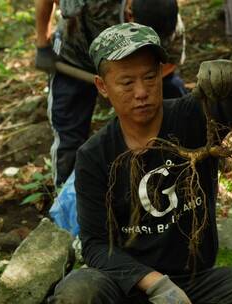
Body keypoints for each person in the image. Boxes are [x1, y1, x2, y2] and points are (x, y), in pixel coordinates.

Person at [48, 22, 232, 304]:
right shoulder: (95, 155)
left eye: (150, 78)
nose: (141, 92)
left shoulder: (192, 117)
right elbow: (95, 245)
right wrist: (155, 285)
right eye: (127, 82)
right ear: (103, 87)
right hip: (127, 286)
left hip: (195, 285)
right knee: (79, 291)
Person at [35, 0, 186, 187]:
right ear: (130, 13)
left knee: (175, 97)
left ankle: (174, 173)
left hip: (129, 70)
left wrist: (131, 84)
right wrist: (43, 43)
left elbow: (171, 60)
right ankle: (67, 197)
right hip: (74, 56)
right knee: (69, 133)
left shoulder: (167, 21)